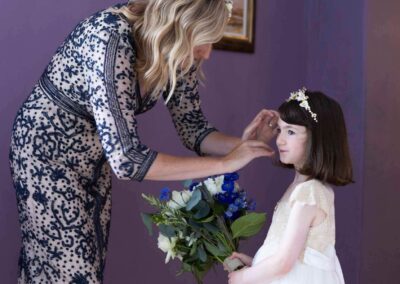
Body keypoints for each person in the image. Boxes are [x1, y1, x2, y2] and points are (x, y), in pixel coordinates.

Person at [9, 1, 277, 283]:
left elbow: (193, 128)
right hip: (45, 155)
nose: (207, 52)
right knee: (74, 272)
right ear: (181, 26)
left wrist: (246, 146)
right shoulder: (110, 35)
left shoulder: (178, 51)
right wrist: (224, 163)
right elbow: (127, 161)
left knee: (78, 265)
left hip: (95, 160)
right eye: (204, 40)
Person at [227, 88, 353, 284]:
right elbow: (293, 257)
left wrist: (243, 277)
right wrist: (256, 264)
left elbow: (284, 263)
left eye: (291, 132)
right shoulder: (300, 187)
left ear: (317, 138)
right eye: (280, 129)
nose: (280, 140)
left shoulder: (309, 192)